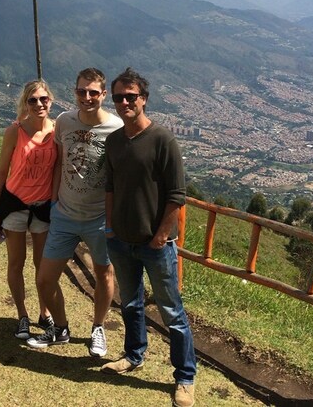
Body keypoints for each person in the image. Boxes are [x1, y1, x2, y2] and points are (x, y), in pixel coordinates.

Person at [102, 68, 197, 407]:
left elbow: (177, 195)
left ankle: (185, 377)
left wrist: (160, 236)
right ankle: (133, 354)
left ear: (144, 99)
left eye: (131, 96)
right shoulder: (114, 141)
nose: (125, 102)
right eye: (119, 97)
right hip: (121, 241)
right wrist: (110, 227)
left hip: (155, 245)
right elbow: (110, 187)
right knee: (130, 304)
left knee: (172, 312)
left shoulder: (162, 140)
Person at [27, 68, 122, 357]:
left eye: (94, 92)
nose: (87, 97)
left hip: (99, 218)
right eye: (82, 91)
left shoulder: (116, 128)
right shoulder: (64, 122)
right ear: (75, 92)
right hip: (65, 215)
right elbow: (58, 161)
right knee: (44, 278)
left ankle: (98, 327)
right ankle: (61, 328)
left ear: (103, 95)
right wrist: (55, 201)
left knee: (104, 273)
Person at [0, 80, 58, 340]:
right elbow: (1, 172)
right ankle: (22, 316)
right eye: (33, 100)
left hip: (43, 208)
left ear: (50, 101)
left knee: (43, 267)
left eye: (43, 99)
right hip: (15, 205)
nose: (39, 104)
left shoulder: (57, 131)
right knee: (16, 262)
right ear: (26, 103)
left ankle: (45, 313)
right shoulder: (14, 131)